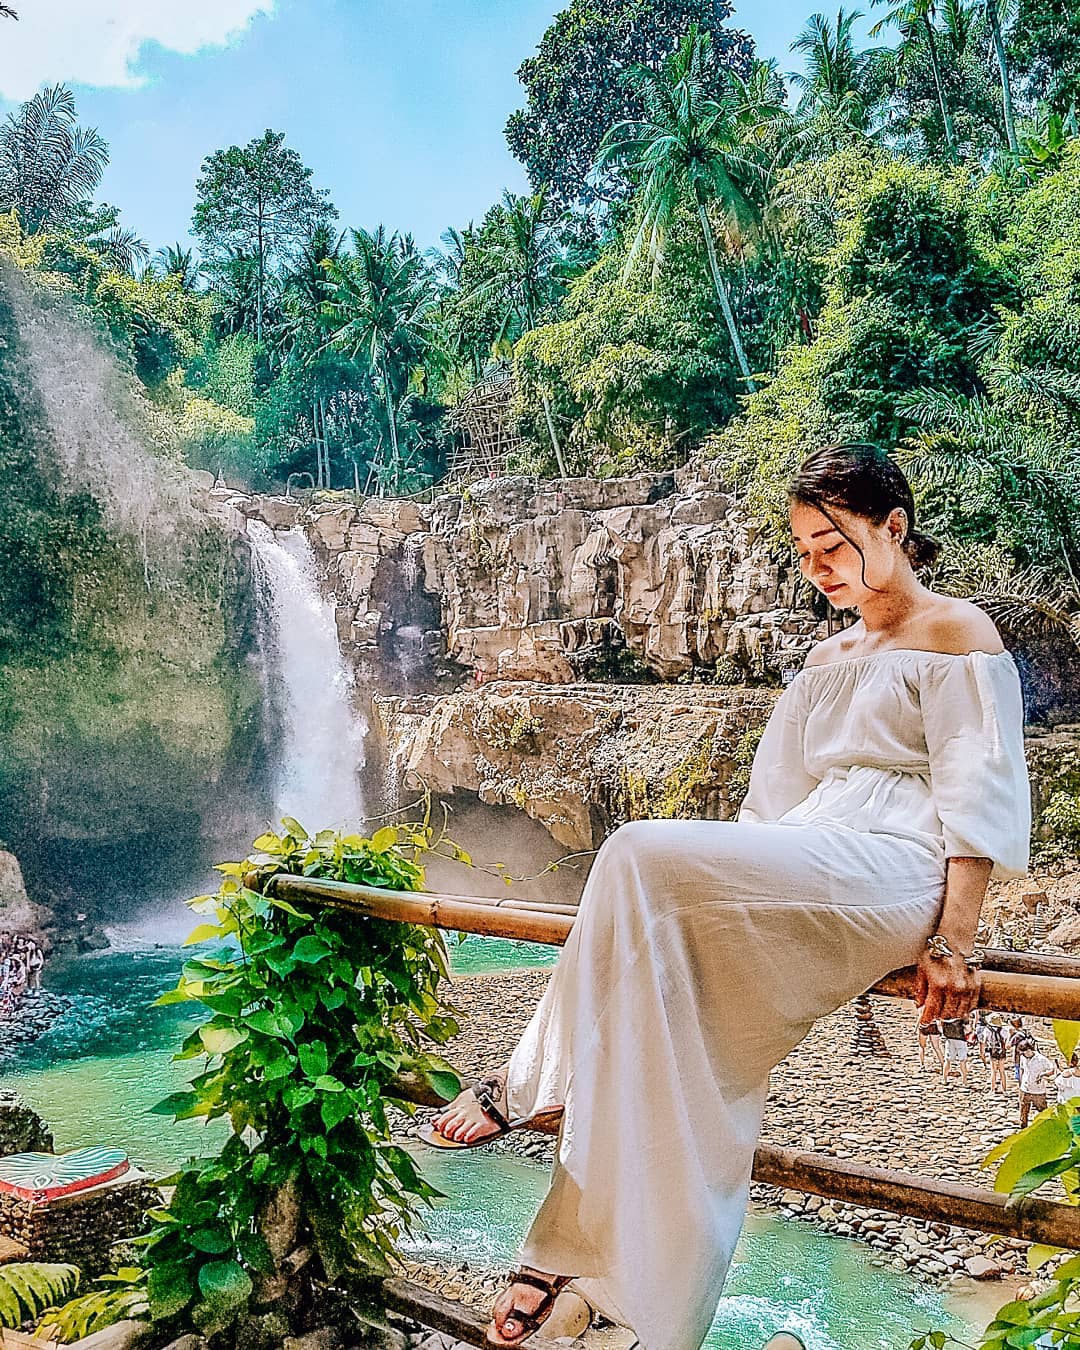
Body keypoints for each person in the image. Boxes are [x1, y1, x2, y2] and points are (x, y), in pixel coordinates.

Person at [425, 443, 1031, 1350]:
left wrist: (954, 940)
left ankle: (522, 1082)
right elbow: (768, 807)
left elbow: (976, 794)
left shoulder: (957, 634)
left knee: (632, 851)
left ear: (892, 529)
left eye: (831, 545)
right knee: (665, 1024)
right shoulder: (827, 658)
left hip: (899, 864)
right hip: (806, 854)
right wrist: (729, 883)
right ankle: (573, 1259)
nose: (815, 567)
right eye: (802, 551)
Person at [1018, 1040, 1055, 1127]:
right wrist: (1020, 1084)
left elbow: (1052, 1070)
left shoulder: (1041, 1059)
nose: (1023, 1054)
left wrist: (1043, 1074)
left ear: (1029, 1049)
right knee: (1023, 1111)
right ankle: (1023, 1128)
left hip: (1038, 1091)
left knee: (1043, 1111)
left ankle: (1045, 1128)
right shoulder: (1023, 1057)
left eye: (1025, 1052)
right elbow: (1022, 1069)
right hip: (1025, 1089)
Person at [940, 1015, 970, 1086]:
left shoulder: (946, 1013)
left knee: (947, 1060)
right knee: (962, 1061)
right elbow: (968, 1029)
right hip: (960, 1039)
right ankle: (964, 1081)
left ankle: (944, 1079)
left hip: (949, 1038)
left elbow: (940, 1024)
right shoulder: (963, 1013)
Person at [985, 1014, 1010, 1095]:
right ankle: (1004, 1090)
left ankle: (992, 1090)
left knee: (993, 1071)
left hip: (993, 1051)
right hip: (1002, 1052)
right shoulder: (1004, 1030)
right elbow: (1006, 1041)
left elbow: (984, 1041)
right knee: (1002, 1071)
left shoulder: (987, 1030)